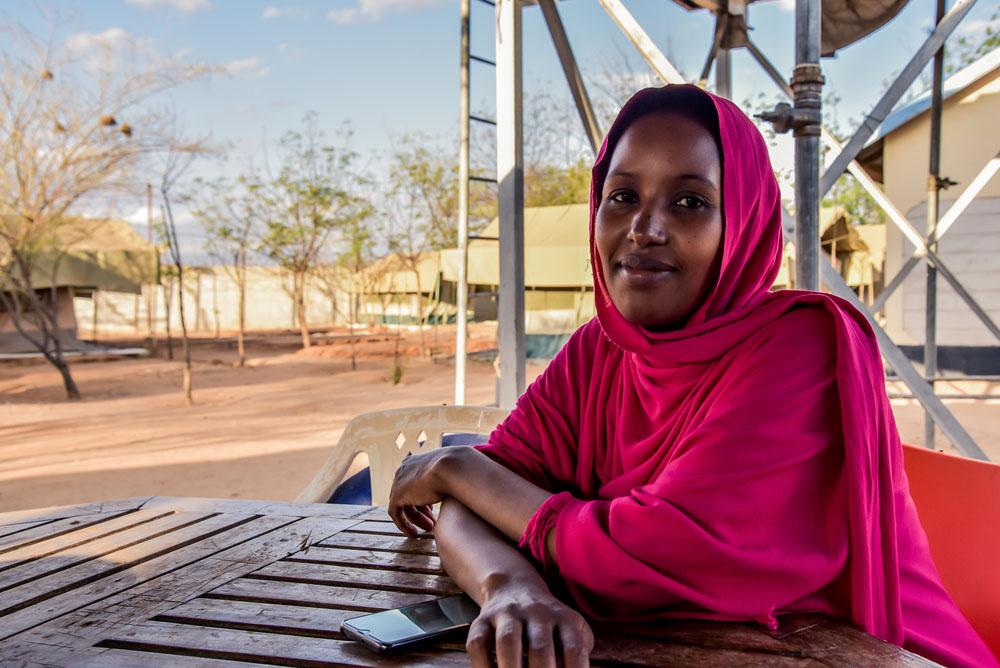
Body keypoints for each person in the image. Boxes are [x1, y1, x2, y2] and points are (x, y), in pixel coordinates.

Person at [386, 84, 997, 668]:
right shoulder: (597, 353)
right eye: (622, 196)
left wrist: (455, 467)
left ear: (745, 222)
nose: (644, 228)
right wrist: (509, 586)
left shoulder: (797, 347)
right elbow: (482, 498)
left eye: (690, 202)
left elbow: (641, 555)